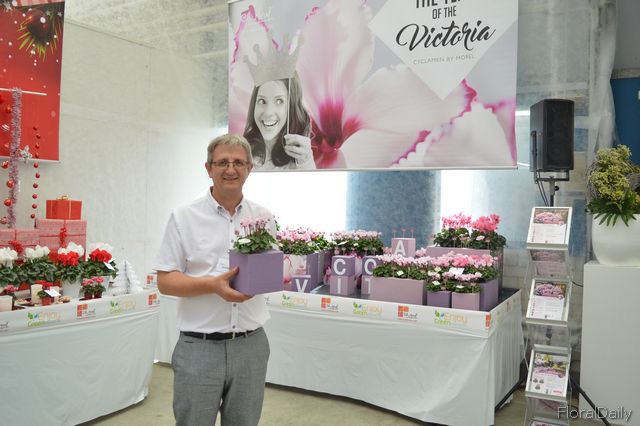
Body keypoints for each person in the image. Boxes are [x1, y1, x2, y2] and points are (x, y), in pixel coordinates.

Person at [154, 134, 275, 426]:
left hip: (251, 345)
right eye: (222, 162)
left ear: (249, 169)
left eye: (238, 163)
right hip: (199, 347)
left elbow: (267, 271)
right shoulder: (184, 216)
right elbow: (165, 280)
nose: (230, 169)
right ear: (208, 168)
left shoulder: (264, 218)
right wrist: (212, 286)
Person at [243, 73, 316, 170]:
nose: (268, 113)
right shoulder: (242, 152)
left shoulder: (300, 161)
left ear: (292, 107)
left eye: (279, 101)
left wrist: (306, 163)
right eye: (262, 101)